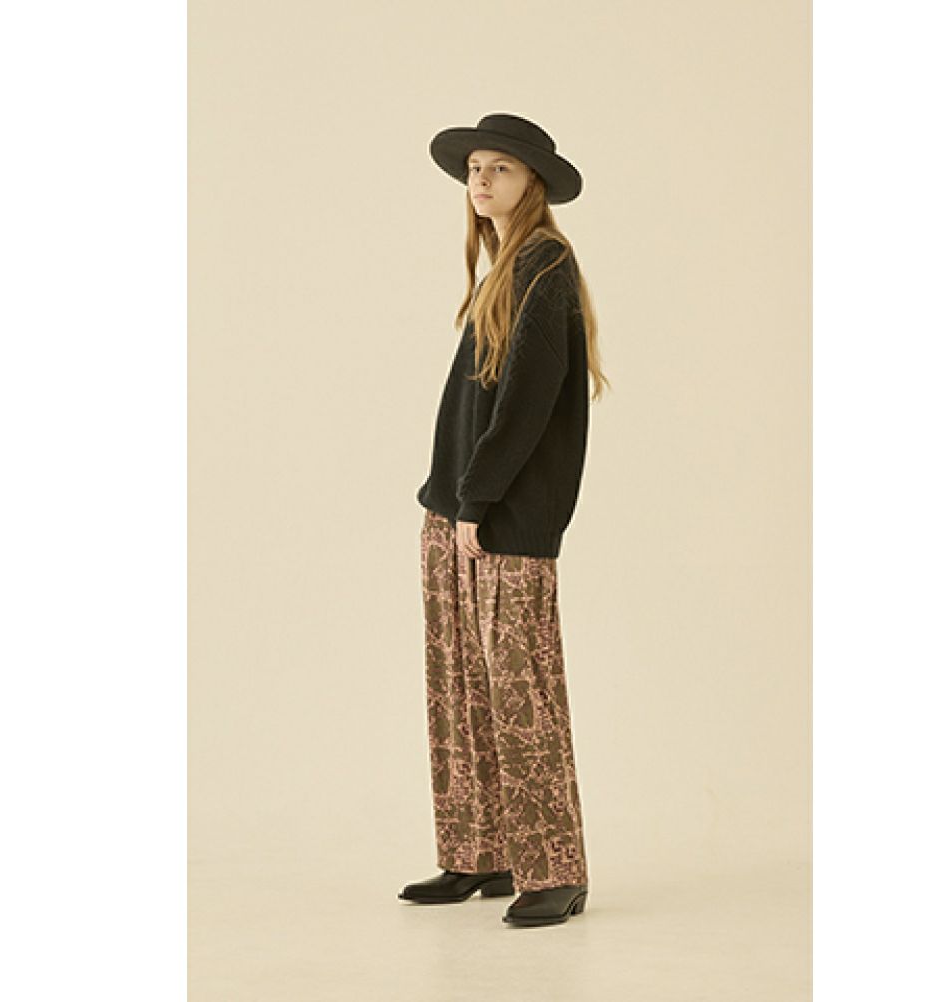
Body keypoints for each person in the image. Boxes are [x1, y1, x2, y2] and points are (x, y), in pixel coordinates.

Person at [398, 113, 610, 928]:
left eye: (501, 169)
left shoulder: (545, 263)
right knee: (460, 693)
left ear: (535, 184)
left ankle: (555, 870)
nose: (481, 181)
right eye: (475, 169)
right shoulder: (503, 267)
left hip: (500, 520)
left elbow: (526, 403)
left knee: (523, 697)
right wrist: (452, 501)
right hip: (453, 511)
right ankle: (480, 851)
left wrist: (479, 501)